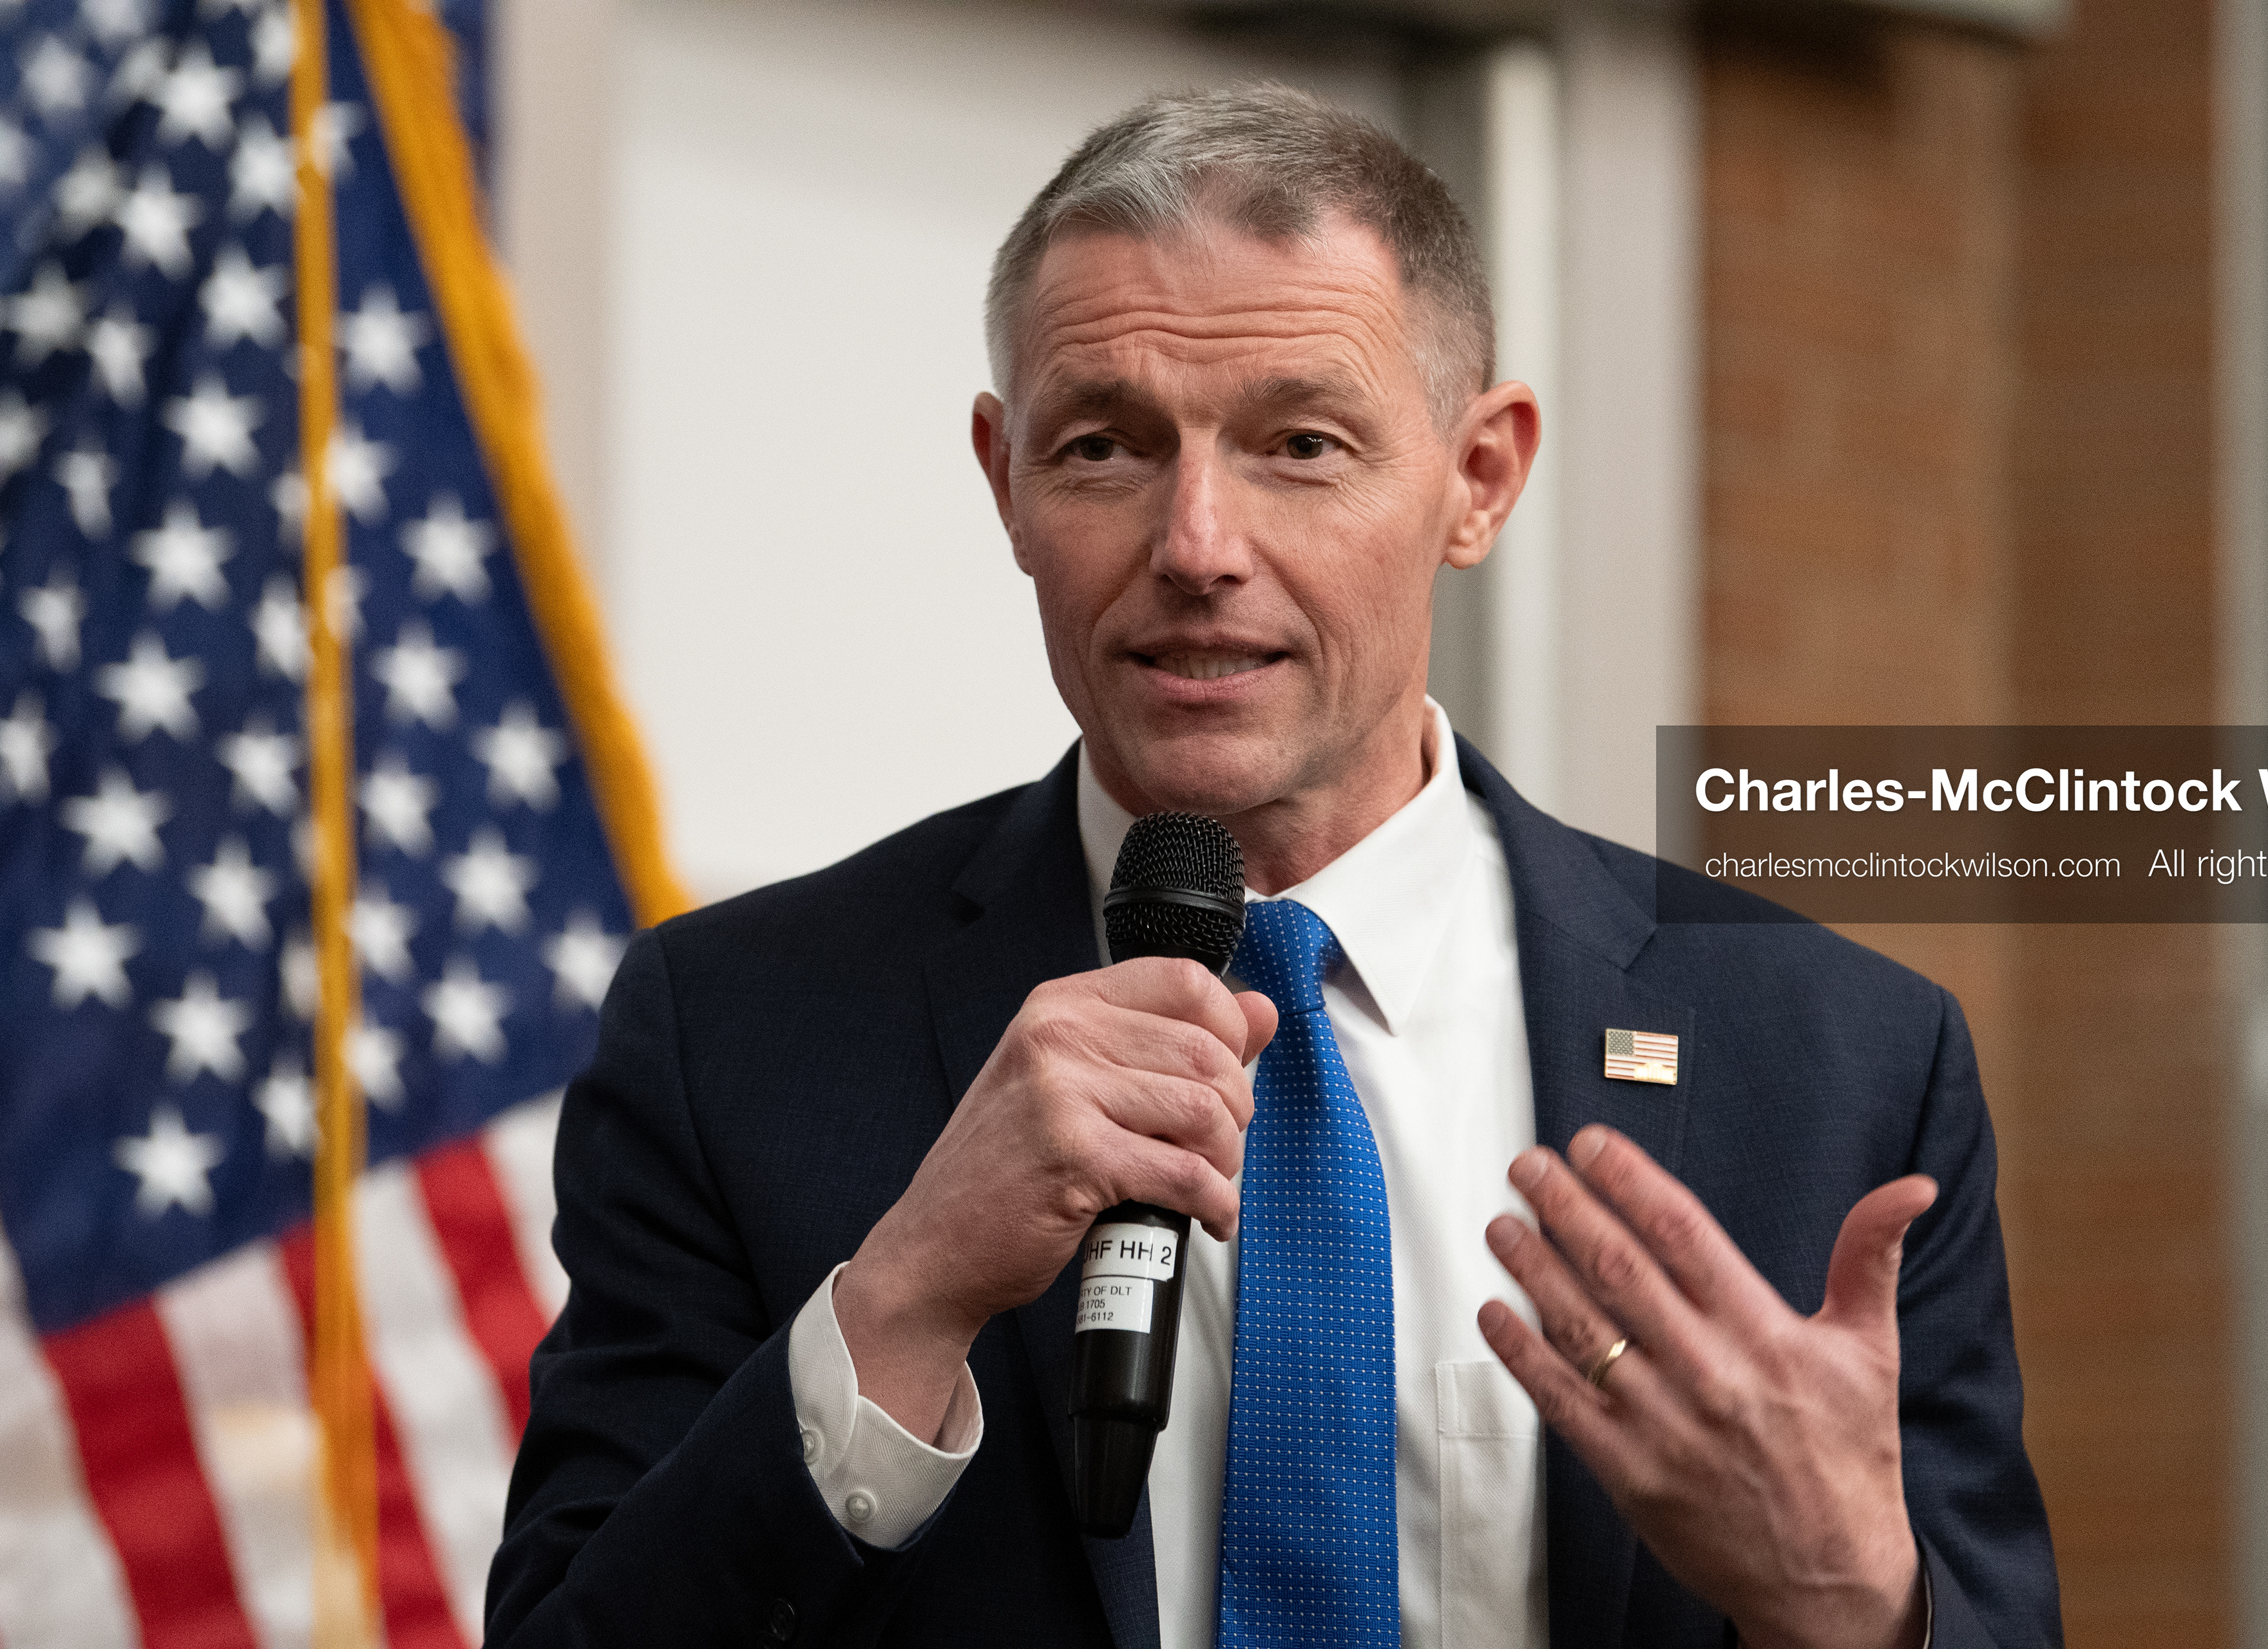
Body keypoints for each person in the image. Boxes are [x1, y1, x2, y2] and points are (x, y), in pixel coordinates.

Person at [486, 86, 2059, 1649]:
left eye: (1301, 444)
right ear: (1004, 479)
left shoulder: (1838, 1061)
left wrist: (1858, 1602)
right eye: (1103, 446)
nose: (1197, 544)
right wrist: (901, 1301)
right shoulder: (734, 1033)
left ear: (1481, 476)